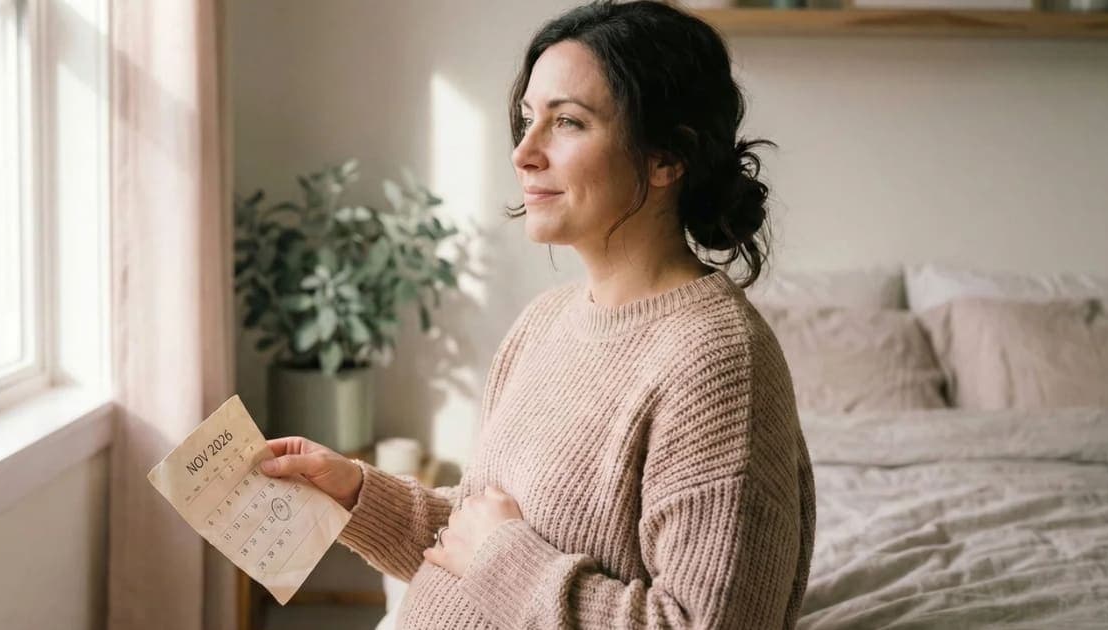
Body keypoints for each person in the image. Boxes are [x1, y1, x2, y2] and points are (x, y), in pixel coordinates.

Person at [260, 1, 814, 627]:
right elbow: (474, 537)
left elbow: (695, 621)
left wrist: (501, 556)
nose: (523, 153)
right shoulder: (546, 321)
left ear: (667, 157)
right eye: (527, 120)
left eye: (568, 122)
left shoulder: (719, 362)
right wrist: (355, 492)